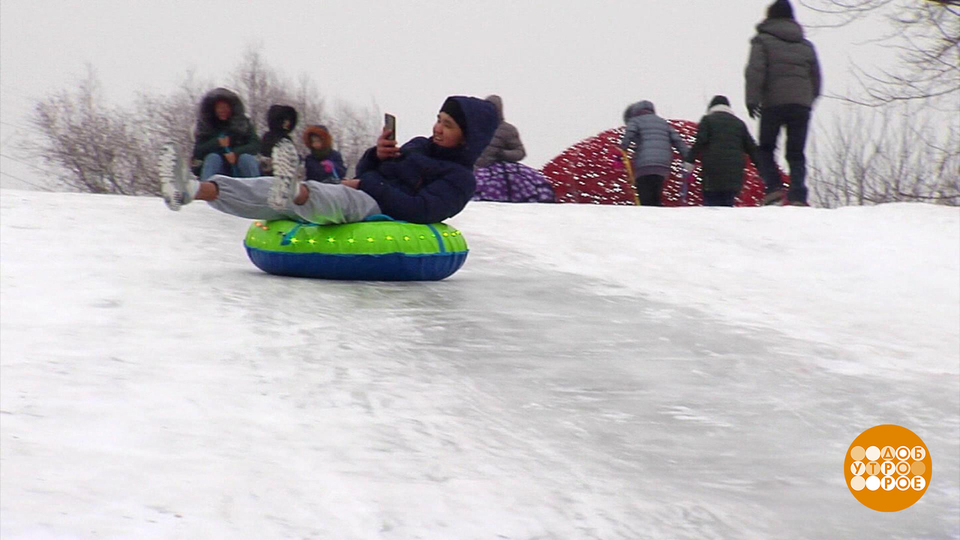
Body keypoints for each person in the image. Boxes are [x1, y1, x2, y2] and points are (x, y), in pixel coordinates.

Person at [159, 96, 498, 227]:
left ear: (466, 138)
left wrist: (369, 183)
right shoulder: (419, 145)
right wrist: (375, 156)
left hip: (380, 212)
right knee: (267, 189)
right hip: (360, 193)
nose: (437, 128)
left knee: (337, 195)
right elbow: (367, 171)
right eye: (439, 118)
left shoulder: (459, 178)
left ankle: (292, 192)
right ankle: (192, 189)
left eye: (448, 125)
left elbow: (422, 211)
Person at [745, 0, 822, 206]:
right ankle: (798, 195)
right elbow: (816, 78)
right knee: (796, 153)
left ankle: (774, 188)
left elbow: (755, 71)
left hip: (773, 103)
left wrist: (752, 100)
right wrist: (808, 100)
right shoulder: (806, 46)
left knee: (765, 149)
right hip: (801, 105)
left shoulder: (762, 41)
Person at [685, 95, 760, 207]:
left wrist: (689, 161)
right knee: (728, 203)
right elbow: (752, 148)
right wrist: (762, 168)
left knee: (712, 204)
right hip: (734, 170)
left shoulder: (707, 120)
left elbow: (700, 141)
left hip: (712, 168)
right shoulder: (739, 123)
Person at [619, 100, 690, 206]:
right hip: (663, 164)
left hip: (644, 164)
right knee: (656, 191)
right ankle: (657, 211)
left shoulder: (635, 121)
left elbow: (629, 135)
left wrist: (621, 150)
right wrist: (688, 158)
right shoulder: (663, 123)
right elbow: (678, 141)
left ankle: (648, 215)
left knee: (645, 194)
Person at [191, 87, 261, 181]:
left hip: (240, 169)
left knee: (246, 159)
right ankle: (205, 191)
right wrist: (217, 143)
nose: (222, 110)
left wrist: (236, 153)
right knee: (213, 158)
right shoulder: (206, 127)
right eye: (219, 107)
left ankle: (257, 190)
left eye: (225, 107)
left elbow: (256, 145)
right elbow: (198, 152)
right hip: (218, 170)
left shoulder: (243, 124)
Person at [474, 95, 525, 169]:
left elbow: (520, 152)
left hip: (493, 174)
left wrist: (503, 154)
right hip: (469, 172)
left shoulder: (508, 130)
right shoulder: (474, 126)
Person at [258, 104, 298, 176]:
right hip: (270, 172)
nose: (287, 123)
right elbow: (265, 155)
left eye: (289, 121)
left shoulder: (287, 138)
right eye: (285, 121)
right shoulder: (269, 136)